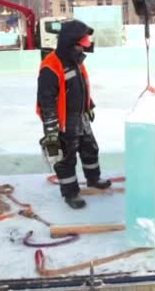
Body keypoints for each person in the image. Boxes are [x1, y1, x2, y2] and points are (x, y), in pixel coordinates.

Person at [36, 20, 111, 209]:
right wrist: (52, 129)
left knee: (90, 149)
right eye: (82, 43)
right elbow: (46, 100)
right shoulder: (51, 66)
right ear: (71, 43)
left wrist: (89, 105)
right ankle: (71, 193)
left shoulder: (75, 61)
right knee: (66, 158)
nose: (85, 47)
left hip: (80, 116)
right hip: (64, 121)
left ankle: (94, 179)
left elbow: (81, 86)